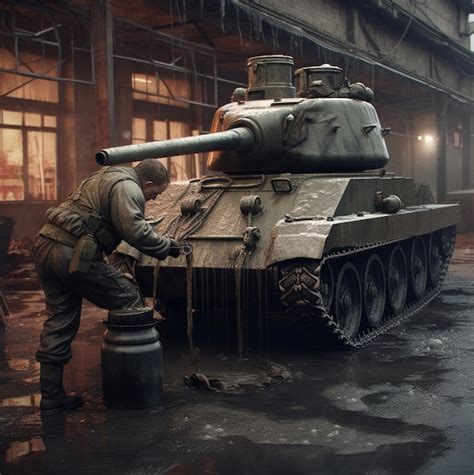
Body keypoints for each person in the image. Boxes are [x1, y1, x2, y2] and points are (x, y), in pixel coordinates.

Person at [32, 159, 180, 414]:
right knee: (130, 299)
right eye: (154, 194)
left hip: (47, 245)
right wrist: (168, 247)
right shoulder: (128, 187)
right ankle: (133, 390)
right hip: (71, 252)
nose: (153, 200)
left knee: (59, 320)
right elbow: (135, 231)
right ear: (146, 183)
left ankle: (51, 396)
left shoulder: (102, 176)